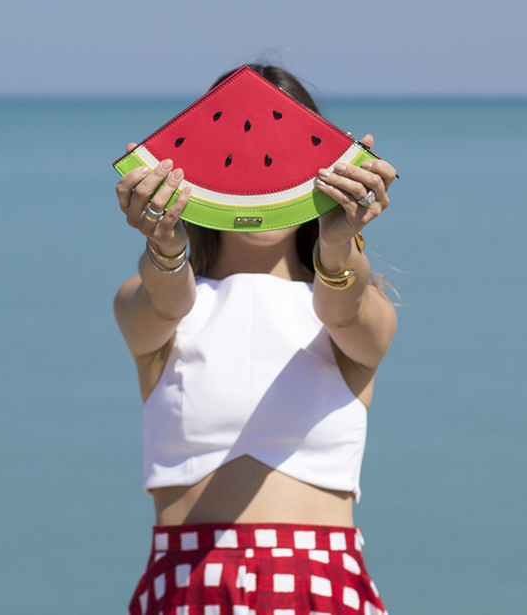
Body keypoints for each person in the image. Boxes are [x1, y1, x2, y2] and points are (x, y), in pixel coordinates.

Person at [114, 65, 398, 614]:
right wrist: (166, 247)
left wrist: (339, 249)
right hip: (188, 587)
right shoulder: (150, 298)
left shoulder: (360, 308)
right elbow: (168, 300)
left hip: (321, 587)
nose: (259, 170)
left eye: (284, 152)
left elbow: (345, 308)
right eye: (237, 155)